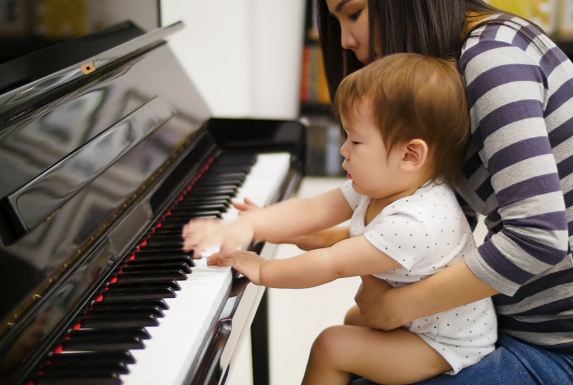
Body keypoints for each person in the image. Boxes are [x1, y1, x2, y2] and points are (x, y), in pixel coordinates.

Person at [301, 1, 573, 384]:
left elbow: (539, 237)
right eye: (336, 22)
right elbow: (444, 219)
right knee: (355, 352)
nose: (345, 40)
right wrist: (336, 242)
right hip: (523, 325)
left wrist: (397, 307)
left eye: (354, 14)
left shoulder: (494, 59)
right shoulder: (457, 61)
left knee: (348, 361)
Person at [183, 52, 497, 385]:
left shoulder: (414, 222)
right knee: (354, 319)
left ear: (410, 155)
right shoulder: (382, 186)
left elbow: (330, 263)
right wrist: (250, 224)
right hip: (419, 324)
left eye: (356, 140)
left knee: (331, 346)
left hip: (446, 345)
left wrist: (262, 270)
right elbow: (312, 210)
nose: (344, 149)